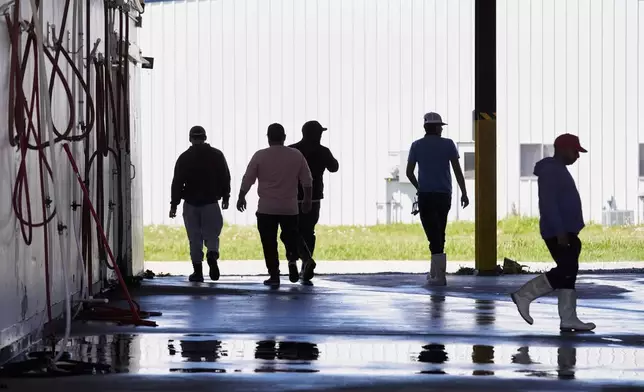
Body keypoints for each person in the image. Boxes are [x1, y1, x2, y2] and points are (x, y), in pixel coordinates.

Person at [511, 133, 595, 332]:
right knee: (566, 271)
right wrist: (560, 232)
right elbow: (548, 204)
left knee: (569, 274)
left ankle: (568, 318)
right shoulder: (551, 171)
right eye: (575, 151)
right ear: (564, 149)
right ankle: (524, 295)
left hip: (567, 231)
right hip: (559, 232)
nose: (578, 156)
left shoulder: (557, 170)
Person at [237, 123, 313, 288]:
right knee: (291, 236)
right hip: (289, 207)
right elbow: (307, 180)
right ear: (284, 137)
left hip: (266, 208)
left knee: (269, 241)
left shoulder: (260, 156)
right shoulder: (296, 155)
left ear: (268, 137)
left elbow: (248, 177)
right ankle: (292, 261)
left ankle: (274, 275)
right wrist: (307, 200)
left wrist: (241, 196)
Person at [406, 112, 469, 286]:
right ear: (435, 127)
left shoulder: (416, 146)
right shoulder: (448, 145)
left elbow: (409, 172)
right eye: (440, 126)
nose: (441, 129)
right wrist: (464, 192)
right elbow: (457, 171)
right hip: (444, 195)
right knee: (439, 232)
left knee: (432, 234)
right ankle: (435, 271)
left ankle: (439, 276)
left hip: (426, 195)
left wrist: (419, 187)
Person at [169, 125, 231, 283]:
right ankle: (212, 253)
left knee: (194, 237)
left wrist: (174, 205)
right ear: (205, 137)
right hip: (211, 202)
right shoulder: (217, 155)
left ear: (190, 138)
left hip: (191, 203)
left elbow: (177, 182)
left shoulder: (184, 157)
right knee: (212, 234)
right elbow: (225, 177)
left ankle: (198, 272)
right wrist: (226, 196)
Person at [288, 120, 339, 284]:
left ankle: (294, 261)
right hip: (314, 197)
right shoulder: (323, 151)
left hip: (292, 197)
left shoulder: (293, 150)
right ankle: (305, 262)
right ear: (317, 135)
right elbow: (334, 167)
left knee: (292, 230)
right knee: (308, 230)